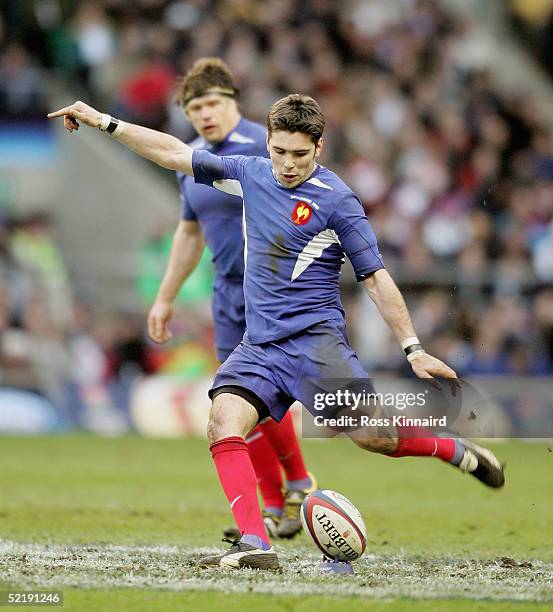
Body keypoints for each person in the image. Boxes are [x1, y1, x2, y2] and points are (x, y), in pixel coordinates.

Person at [48, 93, 505, 572]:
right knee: (223, 422)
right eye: (279, 151)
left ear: (319, 147)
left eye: (299, 154)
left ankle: (454, 449)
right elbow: (172, 153)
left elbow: (375, 277)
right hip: (260, 345)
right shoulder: (250, 172)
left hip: (316, 347)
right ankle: (254, 540)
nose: (287, 164)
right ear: (267, 142)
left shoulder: (338, 201)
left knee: (376, 438)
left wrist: (413, 348)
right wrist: (103, 121)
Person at [150, 58, 318, 539]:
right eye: (194, 106)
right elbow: (189, 234)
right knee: (239, 398)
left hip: (274, 292)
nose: (204, 114)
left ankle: (298, 483)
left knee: (265, 397)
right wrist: (165, 298)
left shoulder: (268, 150)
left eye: (212, 103)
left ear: (233, 102)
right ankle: (274, 501)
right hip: (228, 292)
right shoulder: (191, 162)